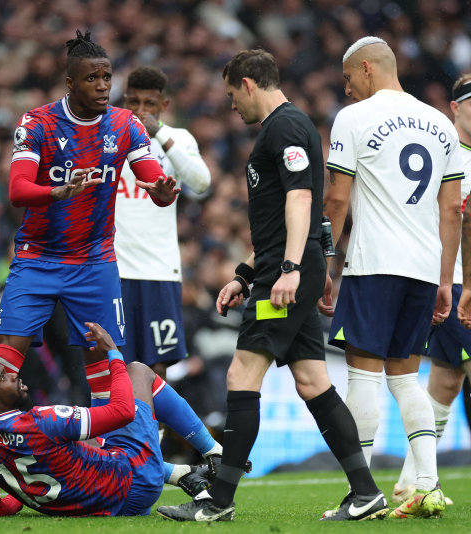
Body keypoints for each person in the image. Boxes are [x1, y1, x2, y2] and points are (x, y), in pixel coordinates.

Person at [0, 29, 182, 506]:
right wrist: (57, 191)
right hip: (36, 258)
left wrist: (162, 189)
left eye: (107, 77)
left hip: (95, 260)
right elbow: (17, 190)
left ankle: (108, 460)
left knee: (102, 358)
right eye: (93, 77)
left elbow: (151, 177)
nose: (103, 85)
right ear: (70, 82)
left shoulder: (124, 124)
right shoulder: (35, 123)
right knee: (1, 362)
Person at [157, 49, 384, 523]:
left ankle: (218, 500)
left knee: (242, 376)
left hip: (288, 276)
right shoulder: (282, 129)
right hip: (284, 270)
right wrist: (246, 274)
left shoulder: (285, 127)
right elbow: (280, 220)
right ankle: (365, 493)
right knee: (311, 380)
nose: (231, 106)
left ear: (247, 84)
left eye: (230, 96)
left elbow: (302, 200)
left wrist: (289, 268)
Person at [321, 37, 463, 519]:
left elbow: (337, 200)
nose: (346, 90)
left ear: (366, 68)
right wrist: (445, 279)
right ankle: (427, 483)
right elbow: (452, 211)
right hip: (424, 268)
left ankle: (362, 493)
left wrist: (325, 264)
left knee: (364, 375)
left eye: (347, 79)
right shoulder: (442, 124)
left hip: (375, 263)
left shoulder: (354, 120)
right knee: (406, 377)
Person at [0, 322, 226, 517]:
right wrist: (113, 355)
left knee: (91, 440)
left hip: (91, 506)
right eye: (1, 377)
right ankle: (214, 452)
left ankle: (181, 475)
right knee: (138, 372)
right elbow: (122, 412)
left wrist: (19, 497)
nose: (13, 374)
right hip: (135, 484)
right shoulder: (44, 420)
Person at [393, 73, 471, 507]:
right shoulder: (444, 153)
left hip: (455, 281)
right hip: (455, 281)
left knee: (444, 385)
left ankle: (411, 484)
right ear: (455, 109)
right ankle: (418, 484)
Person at [115, 66, 211, 379]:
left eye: (149, 104)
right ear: (124, 100)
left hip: (159, 269)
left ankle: (153, 428)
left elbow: (201, 183)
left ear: (163, 106)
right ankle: (121, 428)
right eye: (134, 102)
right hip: (113, 269)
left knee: (156, 367)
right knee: (114, 363)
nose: (140, 111)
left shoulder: (177, 139)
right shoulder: (108, 138)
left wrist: (159, 133)